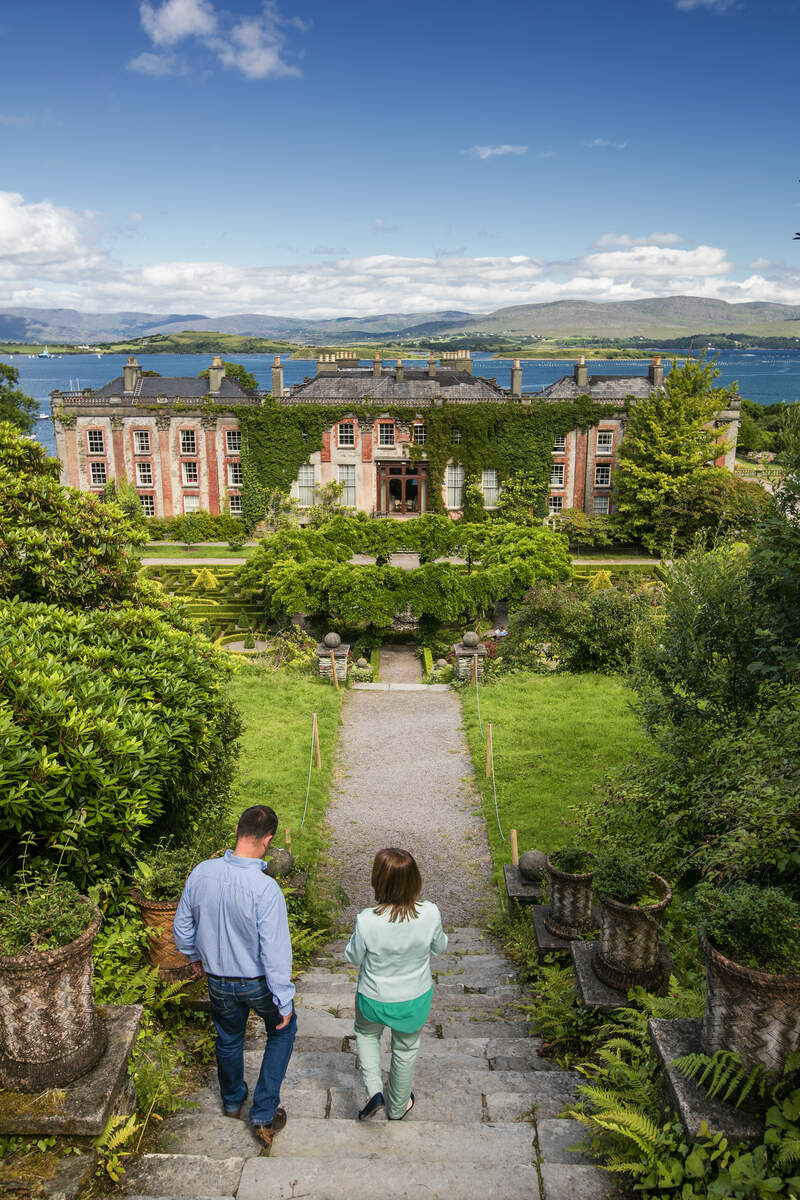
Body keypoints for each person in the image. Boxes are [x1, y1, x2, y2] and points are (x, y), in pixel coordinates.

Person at [173, 805, 296, 1147]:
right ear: (267, 840)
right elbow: (274, 952)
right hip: (257, 982)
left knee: (228, 1039)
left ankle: (231, 1100)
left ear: (238, 831)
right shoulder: (265, 889)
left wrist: (195, 956)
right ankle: (263, 1112)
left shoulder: (201, 873)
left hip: (218, 981)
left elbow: (182, 927)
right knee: (283, 1032)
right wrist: (283, 997)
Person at [345, 848, 447, 1121]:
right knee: (405, 1050)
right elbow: (440, 947)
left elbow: (353, 957)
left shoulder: (367, 920)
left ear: (377, 881)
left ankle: (374, 1090)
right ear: (415, 880)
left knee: (367, 1035)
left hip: (373, 997)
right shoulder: (430, 914)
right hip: (413, 997)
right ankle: (398, 1106)